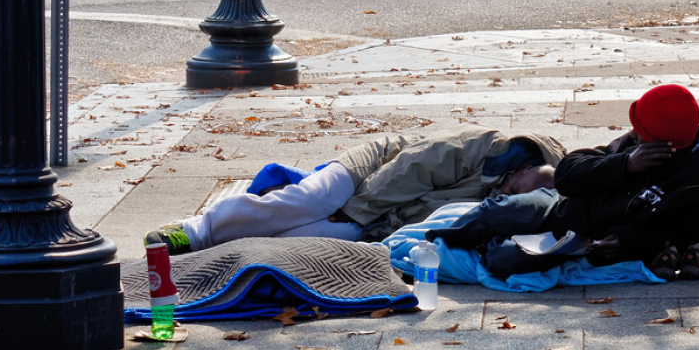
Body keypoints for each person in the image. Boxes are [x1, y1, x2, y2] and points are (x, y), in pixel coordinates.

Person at [428, 84, 699, 280]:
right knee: (495, 212)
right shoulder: (634, 146)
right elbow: (566, 173)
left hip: (585, 239)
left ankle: (491, 247)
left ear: (662, 142)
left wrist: (631, 241)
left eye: (640, 131)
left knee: (503, 260)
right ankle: (437, 242)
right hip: (563, 205)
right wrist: (623, 164)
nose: (632, 134)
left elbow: (689, 236)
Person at [145, 123, 566, 254]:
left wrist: (364, 225)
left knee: (307, 237)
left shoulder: (510, 198)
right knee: (313, 200)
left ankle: (215, 250)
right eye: (524, 181)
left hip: (382, 215)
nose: (511, 193)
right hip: (369, 172)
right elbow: (408, 169)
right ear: (529, 164)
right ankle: (195, 229)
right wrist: (356, 211)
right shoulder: (490, 149)